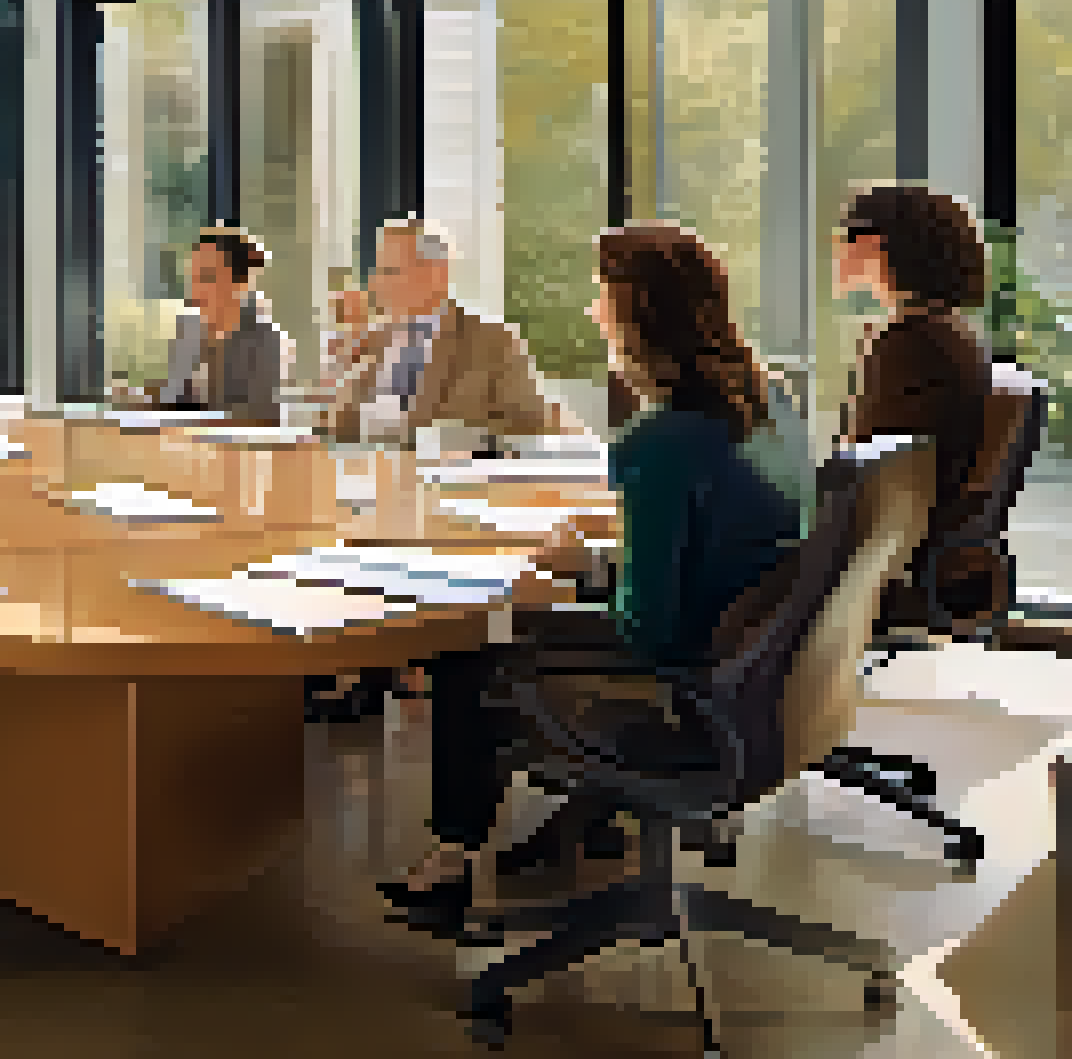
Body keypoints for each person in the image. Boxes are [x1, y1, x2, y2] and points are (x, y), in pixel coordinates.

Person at [378, 223, 801, 937]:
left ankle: (451, 866)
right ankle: (569, 825)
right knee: (514, 618)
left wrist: (590, 574)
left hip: (691, 671)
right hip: (760, 659)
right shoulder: (770, 401)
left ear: (639, 317)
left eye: (602, 298)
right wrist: (602, 565)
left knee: (469, 644)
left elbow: (647, 630)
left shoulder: (658, 442)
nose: (592, 313)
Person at [831, 184, 995, 628]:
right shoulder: (950, 334)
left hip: (885, 562)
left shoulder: (910, 342)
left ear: (874, 245)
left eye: (844, 236)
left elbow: (859, 472)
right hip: (909, 550)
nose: (836, 248)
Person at [327, 219, 565, 441]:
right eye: (376, 271)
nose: (374, 283)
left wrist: (443, 442)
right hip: (367, 479)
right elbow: (338, 427)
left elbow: (529, 427)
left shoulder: (493, 341)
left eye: (389, 271)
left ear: (437, 275)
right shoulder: (372, 338)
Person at [155, 225, 291, 421]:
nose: (195, 290)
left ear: (241, 283)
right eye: (192, 278)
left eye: (207, 277)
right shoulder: (188, 329)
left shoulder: (268, 342)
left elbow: (257, 421)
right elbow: (173, 401)